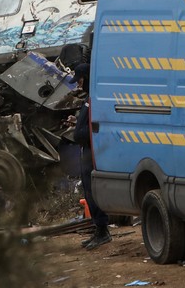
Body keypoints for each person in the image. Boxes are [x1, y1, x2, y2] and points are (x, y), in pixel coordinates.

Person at [61, 43, 111, 250]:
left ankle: (102, 231)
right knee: (89, 192)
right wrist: (76, 123)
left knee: (93, 192)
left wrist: (80, 131)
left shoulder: (95, 99)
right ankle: (98, 230)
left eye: (80, 80)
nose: (79, 85)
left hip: (92, 152)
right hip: (86, 151)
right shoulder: (89, 99)